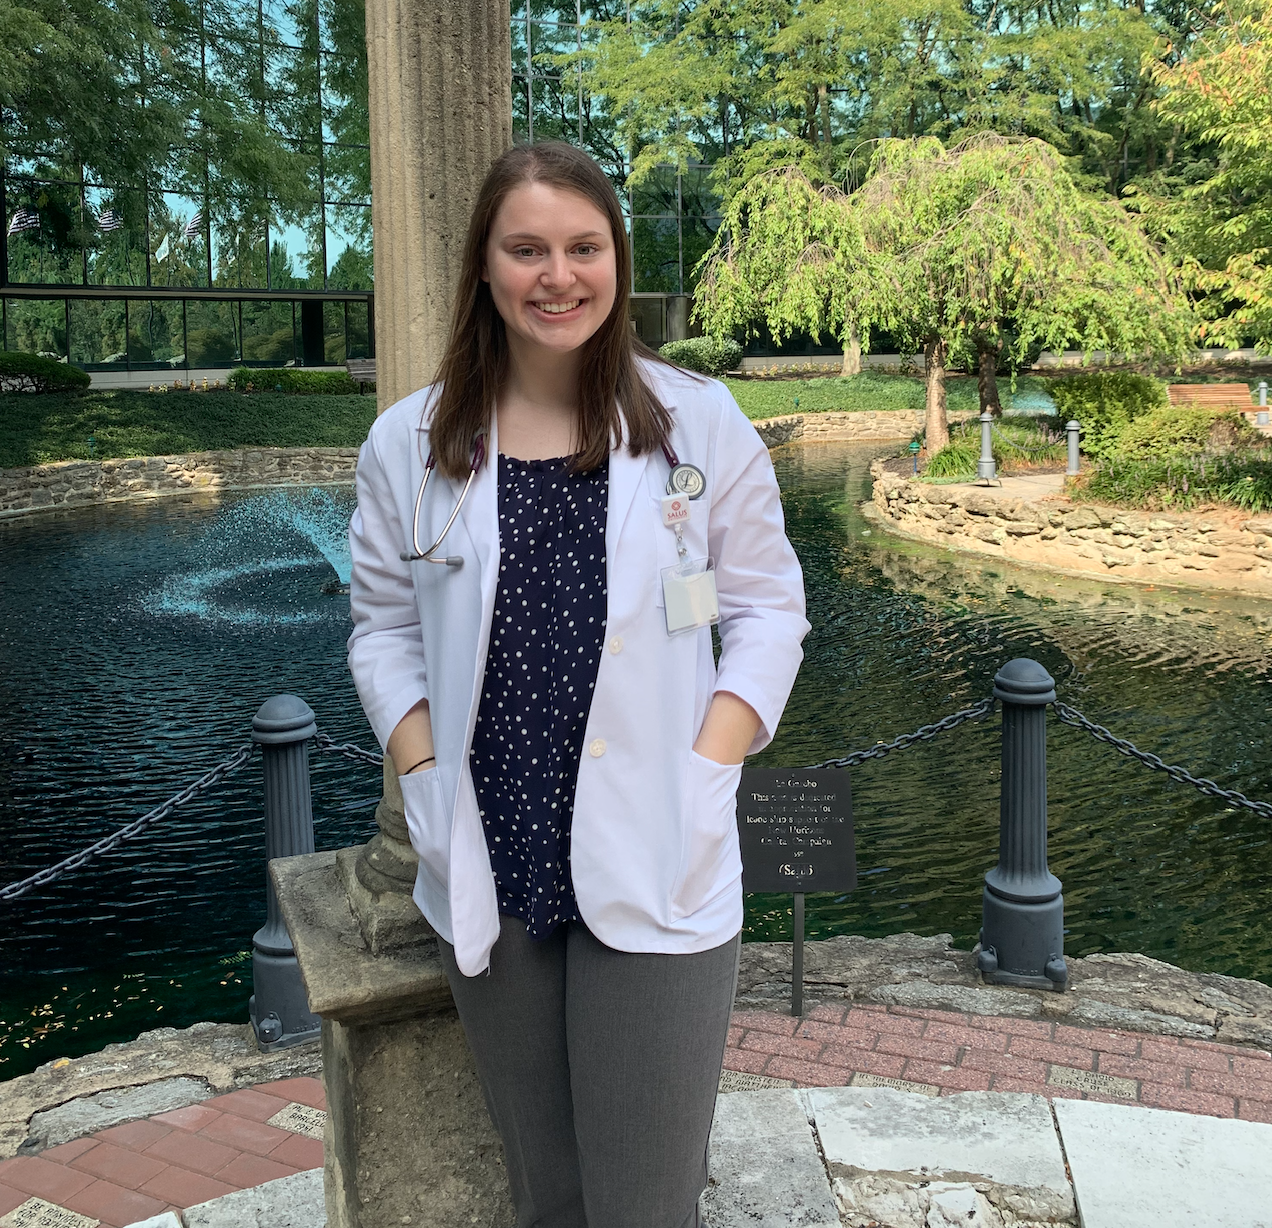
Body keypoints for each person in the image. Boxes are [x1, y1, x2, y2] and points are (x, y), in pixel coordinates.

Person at [346, 141, 809, 1228]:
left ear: (617, 259)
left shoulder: (700, 422)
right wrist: (421, 775)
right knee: (546, 1192)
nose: (558, 275)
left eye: (583, 247)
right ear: (487, 268)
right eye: (527, 249)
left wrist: (711, 763)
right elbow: (379, 631)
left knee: (645, 1203)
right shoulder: (409, 443)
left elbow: (767, 613)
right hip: (490, 854)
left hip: (659, 840)